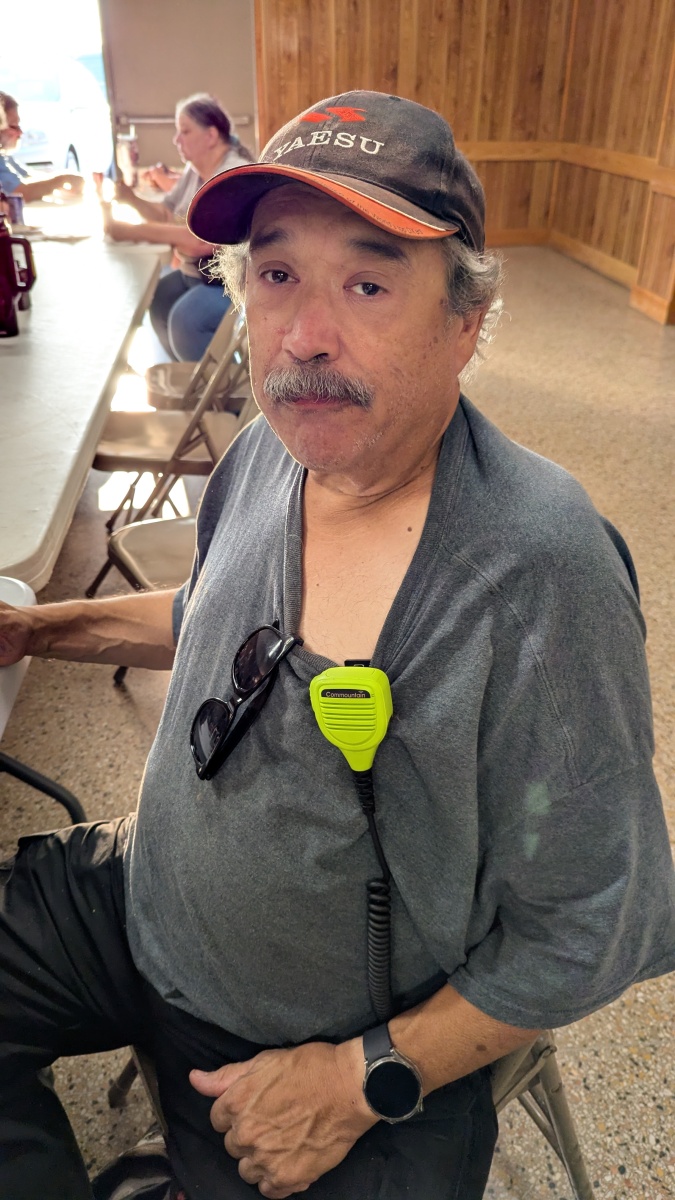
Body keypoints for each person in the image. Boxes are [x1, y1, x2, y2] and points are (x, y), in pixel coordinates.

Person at [0, 90, 674, 1200]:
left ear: (465, 321)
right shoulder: (275, 450)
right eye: (277, 275)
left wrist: (362, 1080)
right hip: (142, 895)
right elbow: (217, 618)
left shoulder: (537, 574)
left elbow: (594, 923)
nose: (304, 338)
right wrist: (36, 628)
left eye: (367, 284)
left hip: (319, 1042)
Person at [103, 92, 253, 362]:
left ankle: (216, 386)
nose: (176, 139)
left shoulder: (232, 173)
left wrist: (130, 231)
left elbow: (201, 242)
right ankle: (184, 374)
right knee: (159, 296)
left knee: (185, 320)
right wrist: (130, 198)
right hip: (199, 274)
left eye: (185, 131)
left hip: (233, 283)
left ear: (211, 135)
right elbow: (164, 213)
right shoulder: (195, 170)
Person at [0, 91, 84, 203]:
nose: (20, 132)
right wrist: (62, 180)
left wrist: (62, 179)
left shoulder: (4, 156)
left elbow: (27, 176)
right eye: (14, 126)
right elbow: (20, 192)